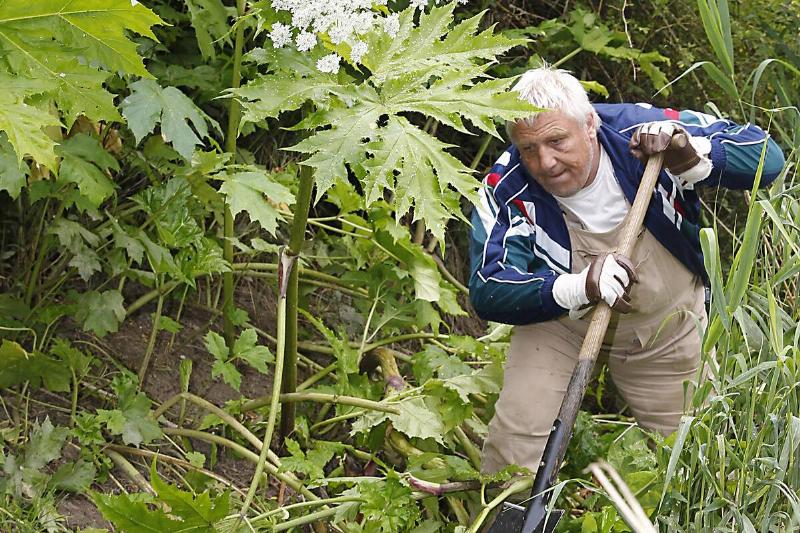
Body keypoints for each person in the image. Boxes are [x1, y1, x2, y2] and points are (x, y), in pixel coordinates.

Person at [469, 66, 785, 474]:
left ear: (589, 124)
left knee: (699, 460)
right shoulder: (506, 185)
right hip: (560, 327)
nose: (544, 162)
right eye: (529, 148)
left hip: (666, 329)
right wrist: (577, 287)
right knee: (513, 449)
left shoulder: (643, 131)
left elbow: (767, 156)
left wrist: (694, 157)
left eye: (556, 141)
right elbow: (487, 287)